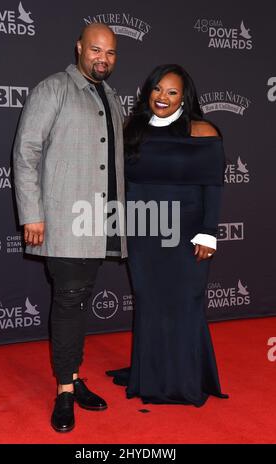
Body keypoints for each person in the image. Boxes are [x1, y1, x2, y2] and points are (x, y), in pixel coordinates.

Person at [13, 23, 127, 432]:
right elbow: (26, 152)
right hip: (63, 219)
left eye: (110, 53)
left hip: (98, 221)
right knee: (68, 301)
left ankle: (73, 377)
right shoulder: (53, 88)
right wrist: (32, 213)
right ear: (79, 47)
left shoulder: (111, 97)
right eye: (96, 50)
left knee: (77, 302)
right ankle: (64, 390)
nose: (103, 58)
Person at [107, 64, 228, 406]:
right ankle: (152, 376)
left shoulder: (201, 131)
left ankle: (185, 380)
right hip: (144, 233)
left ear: (184, 98)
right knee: (149, 303)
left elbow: (213, 186)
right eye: (158, 89)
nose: (163, 97)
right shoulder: (133, 128)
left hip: (187, 234)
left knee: (185, 304)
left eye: (172, 92)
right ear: (148, 91)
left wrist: (209, 233)